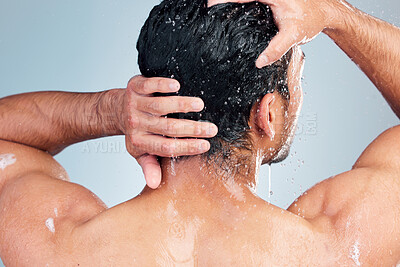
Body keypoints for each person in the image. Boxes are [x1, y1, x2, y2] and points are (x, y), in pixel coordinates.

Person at [0, 0, 399, 266]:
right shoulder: (332, 249)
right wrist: (335, 13)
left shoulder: (64, 247)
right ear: (268, 114)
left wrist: (104, 111)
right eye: (296, 81)